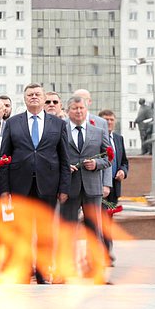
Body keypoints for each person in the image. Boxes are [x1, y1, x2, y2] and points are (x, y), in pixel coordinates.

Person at [0, 83, 70, 283]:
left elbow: (65, 158)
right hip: (20, 186)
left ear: (44, 97)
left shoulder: (58, 124)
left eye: (38, 94)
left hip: (48, 186)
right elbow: (5, 157)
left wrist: (64, 187)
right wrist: (4, 189)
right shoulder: (13, 123)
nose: (34, 97)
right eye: (30, 95)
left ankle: (43, 272)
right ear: (24, 98)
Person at [60, 96, 111, 248]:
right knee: (68, 227)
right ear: (68, 111)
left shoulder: (99, 132)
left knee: (94, 228)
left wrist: (96, 163)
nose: (78, 111)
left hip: (92, 188)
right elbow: (53, 156)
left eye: (81, 108)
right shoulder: (60, 130)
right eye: (75, 108)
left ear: (86, 110)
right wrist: (64, 166)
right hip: (69, 188)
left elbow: (109, 157)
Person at [99, 108, 129, 263]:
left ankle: (106, 251)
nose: (109, 122)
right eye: (105, 119)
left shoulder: (119, 138)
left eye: (111, 119)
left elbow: (124, 161)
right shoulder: (96, 137)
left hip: (114, 188)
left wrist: (123, 171)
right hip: (100, 188)